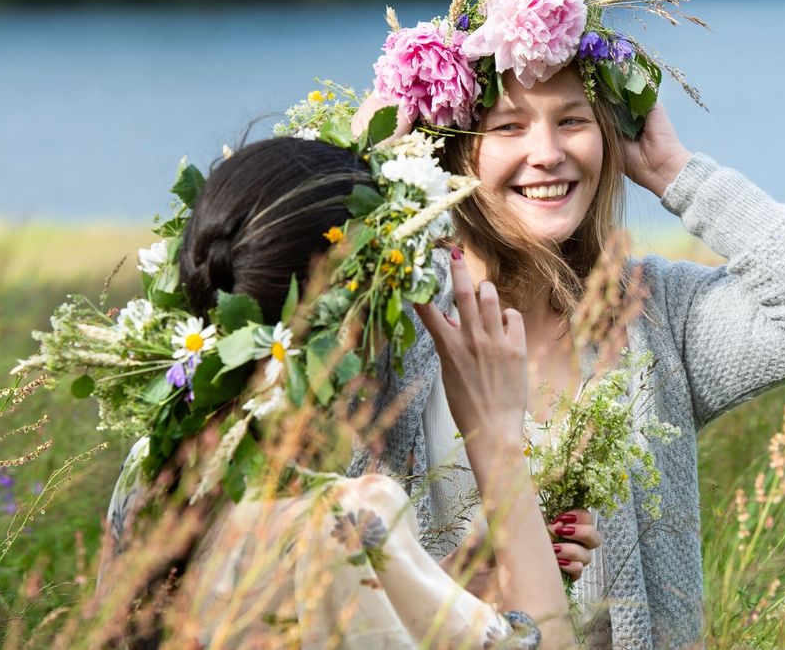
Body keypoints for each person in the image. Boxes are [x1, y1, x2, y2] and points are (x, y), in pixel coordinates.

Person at [349, 65, 785, 647]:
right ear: (453, 152)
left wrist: (671, 171)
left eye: (572, 121)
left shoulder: (657, 317)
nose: (547, 153)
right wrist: (365, 175)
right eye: (508, 127)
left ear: (609, 138)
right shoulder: (393, 313)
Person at [98, 138, 575, 648]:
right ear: (355, 321)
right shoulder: (347, 519)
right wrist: (498, 442)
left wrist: (439, 585)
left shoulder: (151, 470)